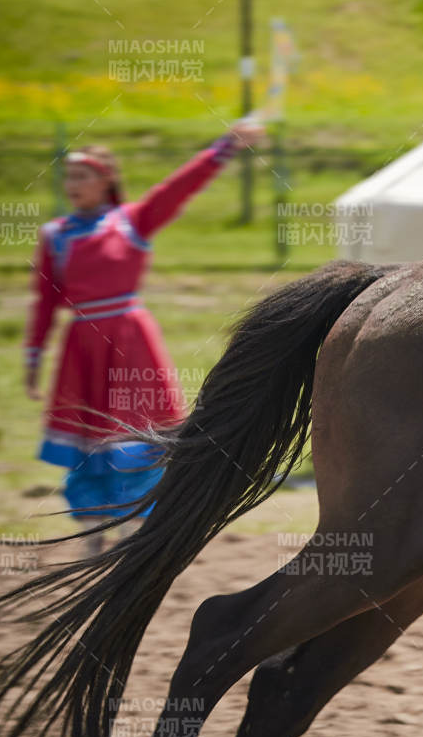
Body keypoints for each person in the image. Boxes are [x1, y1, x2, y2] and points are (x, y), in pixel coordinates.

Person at [23, 120, 265, 532]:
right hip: (80, 347)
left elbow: (177, 188)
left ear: (107, 181)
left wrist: (226, 146)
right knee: (88, 435)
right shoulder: (56, 236)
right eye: (69, 177)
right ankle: (91, 530)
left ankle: (139, 528)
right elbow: (45, 302)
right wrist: (33, 359)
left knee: (137, 433)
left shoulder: (132, 222)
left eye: (83, 176)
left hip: (130, 342)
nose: (73, 184)